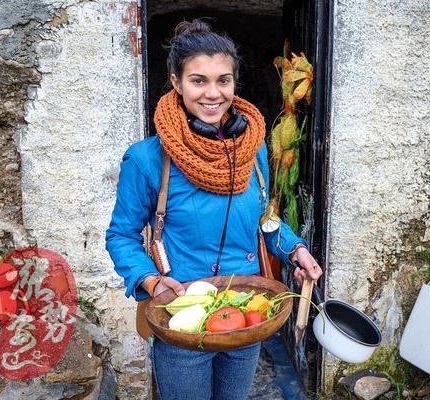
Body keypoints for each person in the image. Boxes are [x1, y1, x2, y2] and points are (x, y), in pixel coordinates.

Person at [105, 19, 322, 400]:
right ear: (176, 82)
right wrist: (152, 283)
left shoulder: (253, 150)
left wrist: (295, 248)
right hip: (182, 314)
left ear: (235, 83)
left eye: (223, 80)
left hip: (245, 309)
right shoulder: (146, 160)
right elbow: (121, 236)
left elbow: (263, 219)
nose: (213, 93)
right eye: (198, 80)